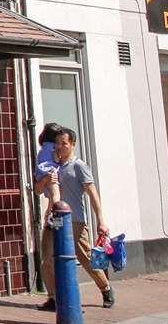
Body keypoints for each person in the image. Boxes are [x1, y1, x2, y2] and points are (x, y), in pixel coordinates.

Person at [39, 128, 114, 311]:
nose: (60, 146)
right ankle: (53, 298)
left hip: (75, 220)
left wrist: (101, 220)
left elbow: (92, 194)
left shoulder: (79, 166)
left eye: (64, 143)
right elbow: (38, 190)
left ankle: (106, 289)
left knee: (86, 257)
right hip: (53, 220)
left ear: (72, 144)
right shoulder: (51, 166)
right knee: (46, 261)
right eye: (57, 143)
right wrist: (46, 178)